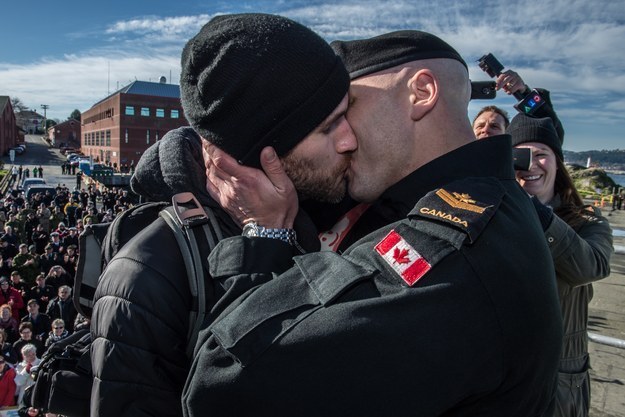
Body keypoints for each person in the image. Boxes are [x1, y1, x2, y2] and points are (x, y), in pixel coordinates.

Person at [184, 29, 563, 416]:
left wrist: (265, 234)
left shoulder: (450, 252)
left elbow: (223, 381)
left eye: (347, 108)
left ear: (421, 92)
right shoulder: (489, 201)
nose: (343, 138)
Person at [90, 13, 356, 417]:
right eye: (328, 126)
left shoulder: (322, 209)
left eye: (347, 113)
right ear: (259, 152)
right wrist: (266, 241)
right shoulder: (145, 276)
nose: (350, 139)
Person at [508, 114, 614, 417]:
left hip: (558, 380)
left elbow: (590, 267)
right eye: (521, 155)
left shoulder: (587, 222)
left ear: (558, 162)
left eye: (541, 154)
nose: (531, 165)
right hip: (502, 373)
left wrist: (537, 214)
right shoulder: (496, 215)